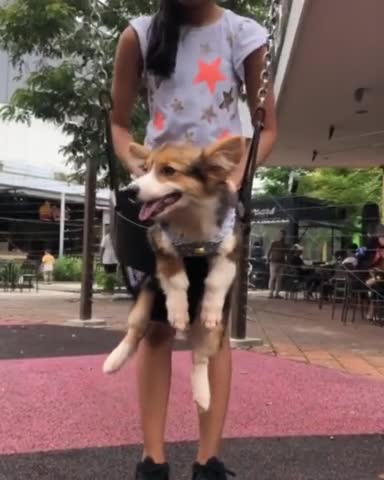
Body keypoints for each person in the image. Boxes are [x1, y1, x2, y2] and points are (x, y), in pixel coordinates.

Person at [111, 1, 277, 478]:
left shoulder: (244, 35)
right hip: (161, 206)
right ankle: (152, 460)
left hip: (212, 209)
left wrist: (235, 177)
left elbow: (268, 128)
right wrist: (140, 167)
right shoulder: (140, 36)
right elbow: (120, 125)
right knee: (158, 331)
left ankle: (208, 461)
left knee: (213, 332)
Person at [267, 230, 287, 299]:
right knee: (273, 277)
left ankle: (276, 293)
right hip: (274, 262)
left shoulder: (285, 245)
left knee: (279, 279)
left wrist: (285, 263)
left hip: (281, 263)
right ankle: (270, 293)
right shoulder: (274, 243)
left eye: (283, 235)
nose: (281, 236)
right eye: (280, 234)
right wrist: (267, 259)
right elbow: (269, 251)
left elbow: (286, 254)